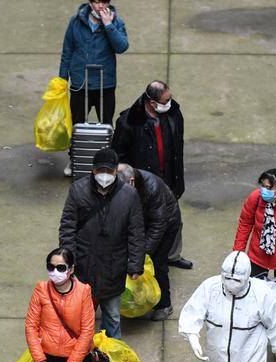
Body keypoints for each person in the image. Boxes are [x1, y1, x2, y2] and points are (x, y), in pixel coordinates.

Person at [59, 147, 145, 339]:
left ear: (116, 171)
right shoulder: (78, 190)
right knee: (80, 317)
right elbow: (67, 228)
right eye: (100, 170)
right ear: (93, 169)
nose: (104, 175)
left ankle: (112, 351)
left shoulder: (129, 195)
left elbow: (136, 232)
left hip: (114, 266)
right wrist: (69, 261)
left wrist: (135, 265)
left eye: (109, 170)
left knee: (113, 316)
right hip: (83, 265)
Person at [112, 81, 192, 269]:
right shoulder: (128, 122)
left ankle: (172, 255)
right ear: (152, 102)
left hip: (169, 177)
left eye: (170, 99)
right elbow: (119, 156)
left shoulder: (173, 114)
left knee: (174, 219)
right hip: (144, 182)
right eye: (165, 101)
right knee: (143, 222)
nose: (169, 104)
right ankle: (143, 258)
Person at [59, 1, 129, 176]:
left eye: (104, 2)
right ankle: (75, 158)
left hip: (104, 83)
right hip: (80, 82)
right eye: (97, 1)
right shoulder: (76, 21)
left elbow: (122, 47)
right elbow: (67, 50)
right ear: (90, 2)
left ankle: (107, 164)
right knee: (77, 123)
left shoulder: (116, 22)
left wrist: (108, 25)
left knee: (106, 123)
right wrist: (62, 79)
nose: (100, 6)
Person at [117, 163, 181, 321]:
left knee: (157, 262)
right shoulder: (122, 186)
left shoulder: (152, 188)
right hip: (141, 221)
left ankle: (164, 305)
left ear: (131, 181)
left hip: (165, 223)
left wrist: (142, 253)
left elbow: (158, 225)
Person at [24, 247, 96, 362]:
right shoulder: (41, 289)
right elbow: (31, 327)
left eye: (61, 268)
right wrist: (40, 361)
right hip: (48, 361)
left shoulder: (83, 291)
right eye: (51, 267)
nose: (55, 272)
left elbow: (87, 331)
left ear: (71, 269)